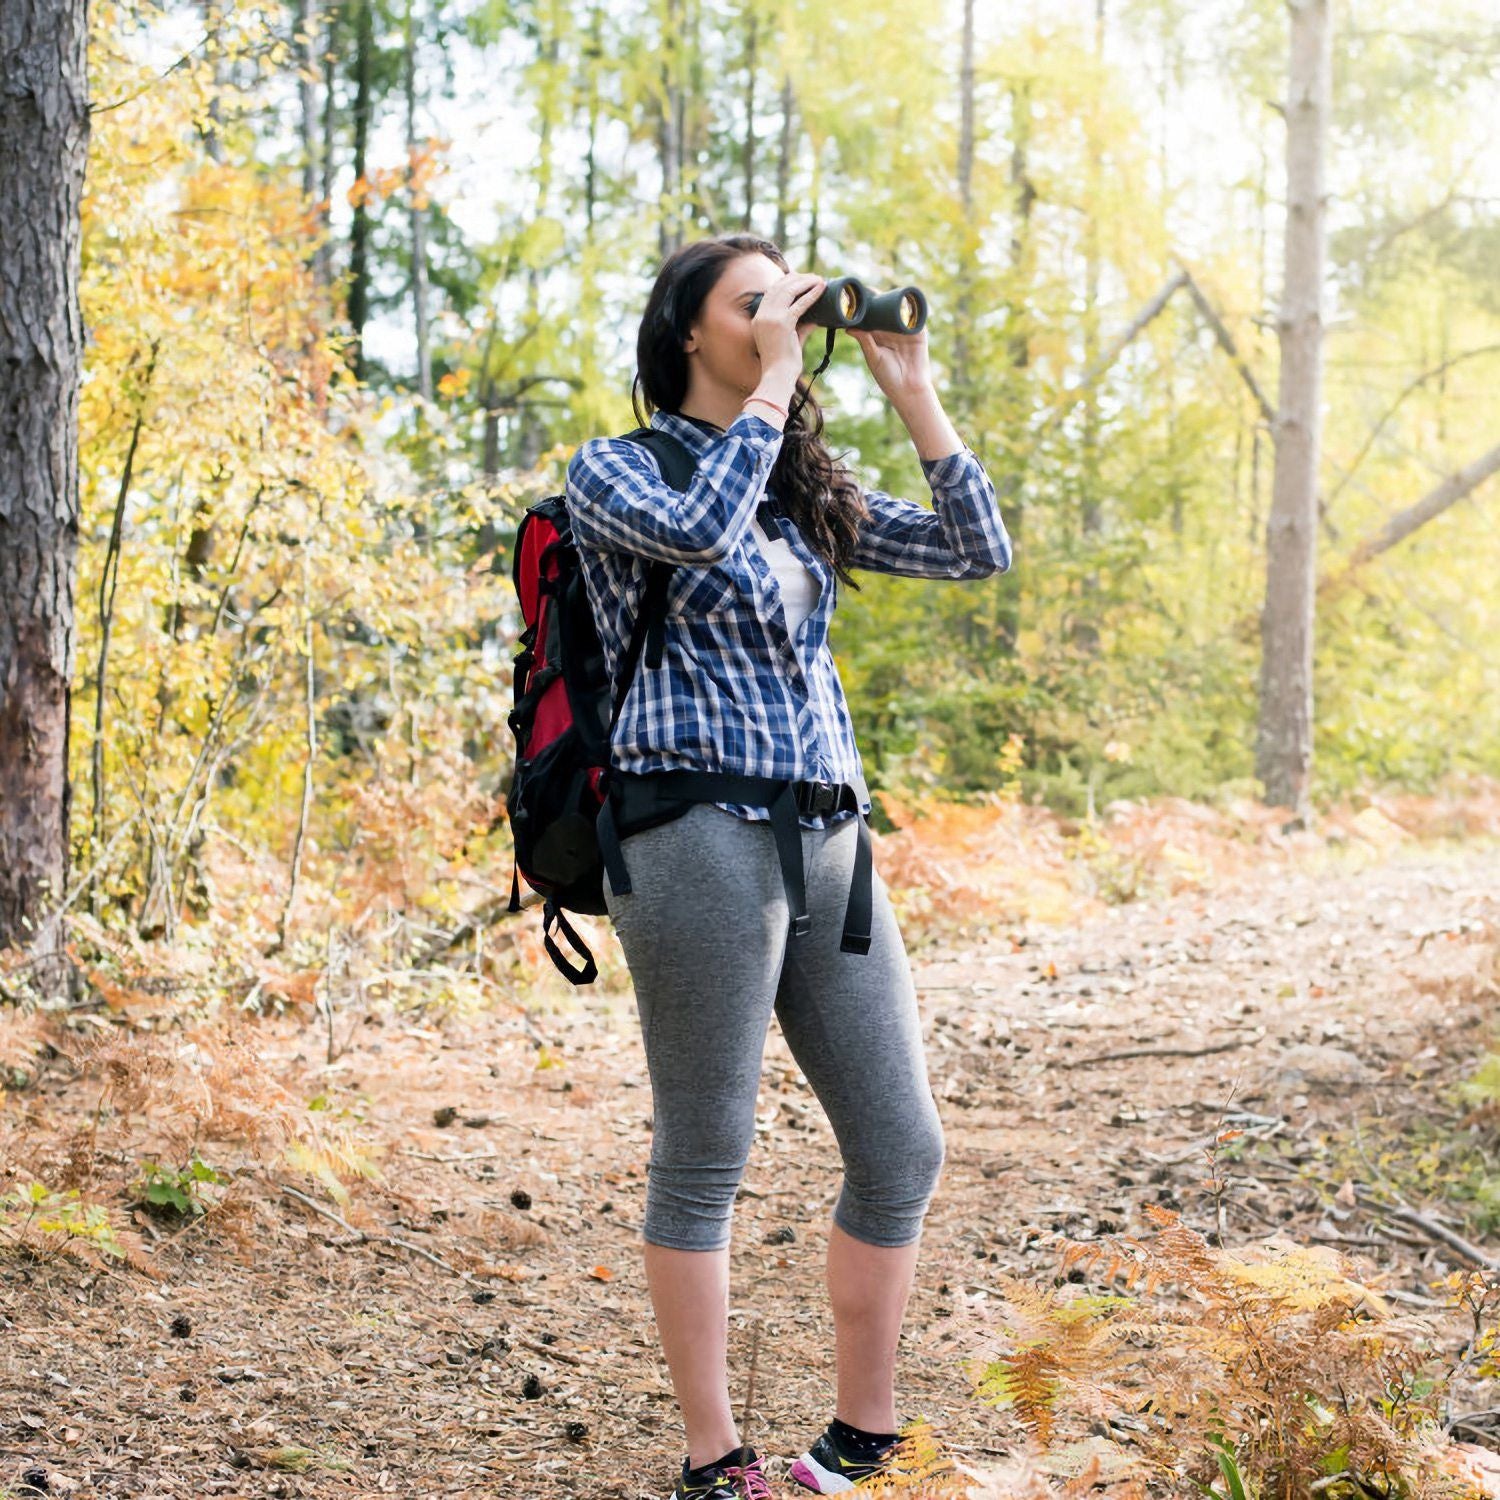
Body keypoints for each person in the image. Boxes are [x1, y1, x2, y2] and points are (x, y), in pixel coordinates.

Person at [564, 234, 1012, 1500]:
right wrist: (770, 392)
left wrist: (909, 382)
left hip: (827, 834)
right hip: (693, 827)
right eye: (752, 304)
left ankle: (860, 1439)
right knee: (708, 1148)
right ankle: (716, 1460)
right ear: (689, 333)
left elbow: (974, 550)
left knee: (901, 1144)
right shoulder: (619, 472)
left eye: (788, 302)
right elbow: (701, 532)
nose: (782, 322)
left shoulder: (803, 484)